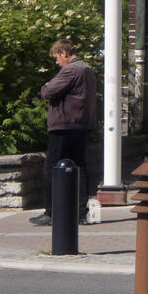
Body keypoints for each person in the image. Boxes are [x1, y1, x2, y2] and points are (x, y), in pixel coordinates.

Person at [29, 39, 98, 226]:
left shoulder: (70, 70)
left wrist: (45, 86)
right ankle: (81, 212)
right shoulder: (87, 70)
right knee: (80, 167)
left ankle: (51, 212)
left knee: (51, 167)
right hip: (80, 125)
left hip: (63, 125)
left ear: (64, 53)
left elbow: (49, 91)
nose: (57, 62)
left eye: (56, 58)